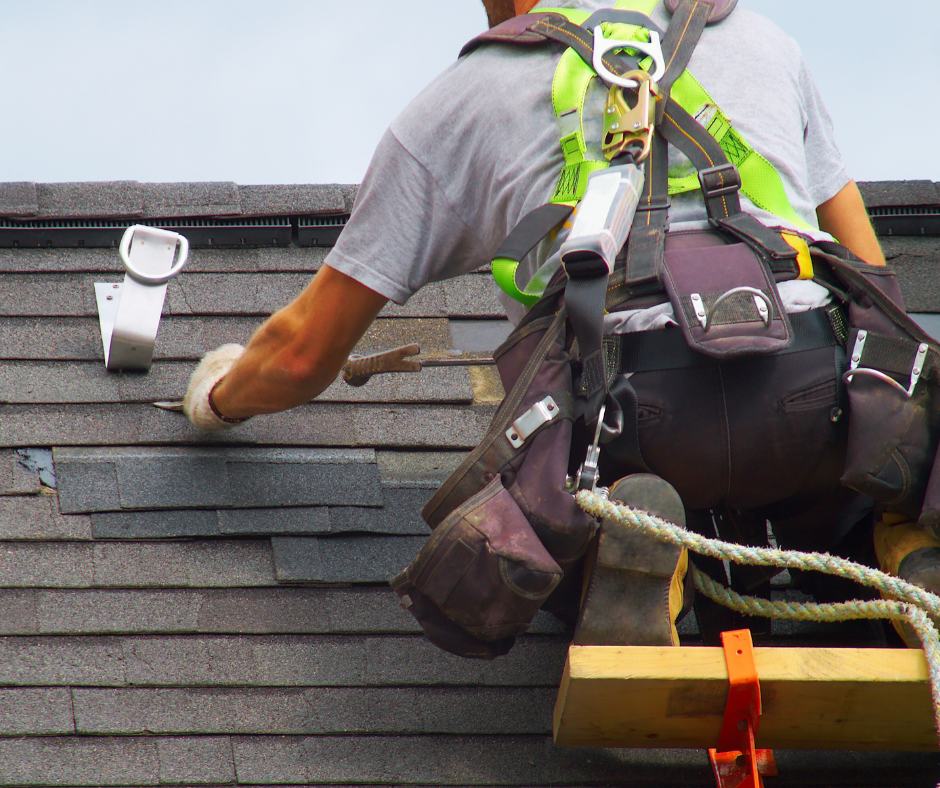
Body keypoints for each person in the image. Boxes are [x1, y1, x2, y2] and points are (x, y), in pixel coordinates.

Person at [183, 0, 934, 648]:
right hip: (812, 402)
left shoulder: (461, 100)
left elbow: (302, 353)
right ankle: (898, 545)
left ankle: (630, 558)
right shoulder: (765, 44)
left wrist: (216, 397)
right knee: (860, 471)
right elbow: (878, 290)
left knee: (552, 517)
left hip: (635, 422)